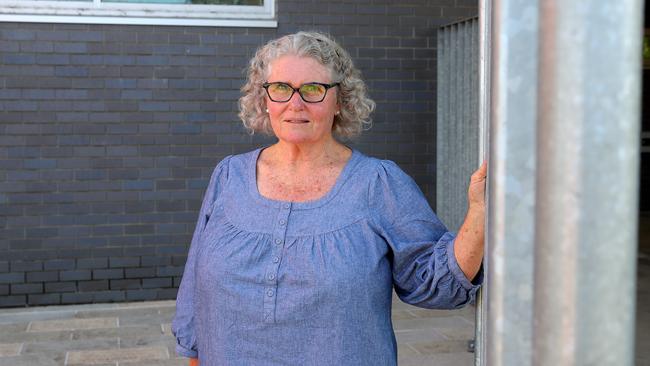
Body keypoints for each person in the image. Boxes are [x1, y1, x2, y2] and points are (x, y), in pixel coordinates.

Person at [172, 31, 486, 366]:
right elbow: (195, 293)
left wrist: (480, 213)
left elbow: (435, 281)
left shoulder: (378, 183)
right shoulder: (229, 175)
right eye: (280, 88)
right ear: (263, 98)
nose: (296, 104)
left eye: (313, 89)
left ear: (340, 101)